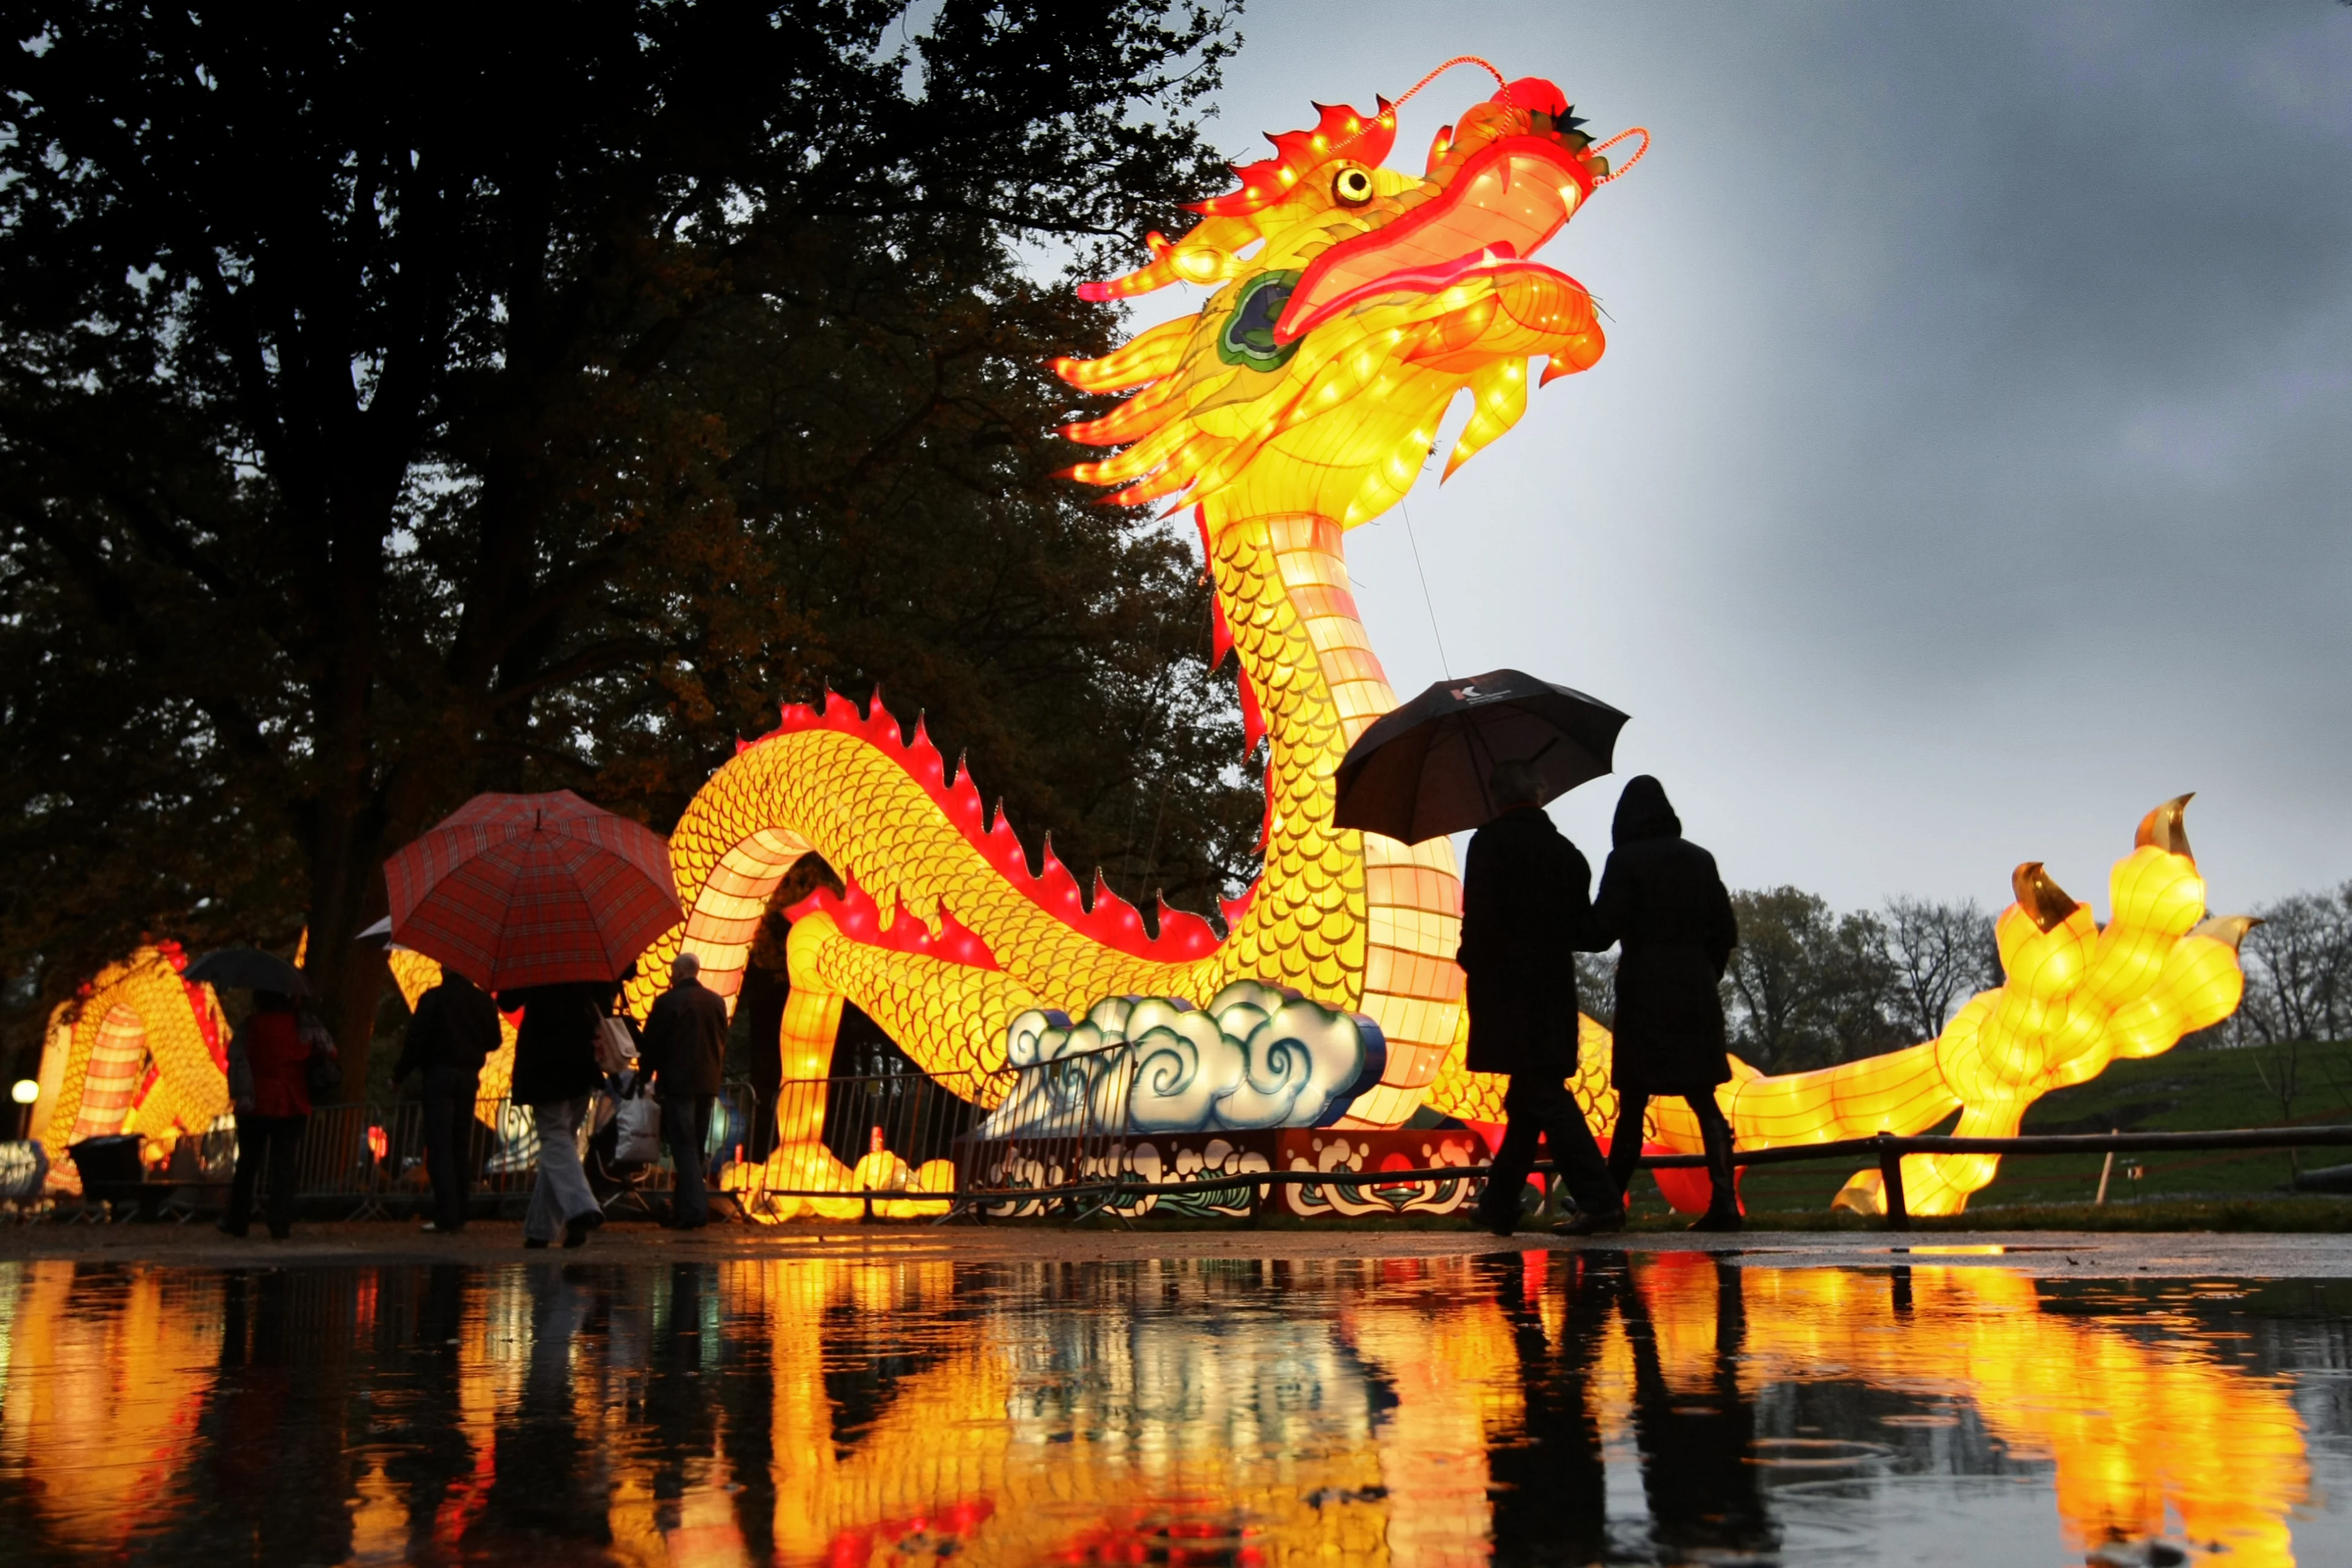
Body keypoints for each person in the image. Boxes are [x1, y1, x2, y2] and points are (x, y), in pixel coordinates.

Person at [1457, 757, 1625, 1237]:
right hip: (1551, 993)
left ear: (1496, 795)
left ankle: (1601, 1201)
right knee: (1528, 1098)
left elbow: (1481, 921)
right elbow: (1587, 933)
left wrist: (1470, 958)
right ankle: (1500, 1204)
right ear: (1539, 793)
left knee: (1543, 1097)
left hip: (1504, 994)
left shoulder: (1487, 845)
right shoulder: (1566, 855)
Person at [1591, 775, 1744, 1231]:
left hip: (1643, 993)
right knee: (1704, 1100)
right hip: (1695, 990)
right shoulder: (1700, 860)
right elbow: (1726, 930)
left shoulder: (1624, 861)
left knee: (1634, 1103)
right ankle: (1724, 1203)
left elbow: (1601, 931)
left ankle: (1610, 1202)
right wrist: (1704, 971)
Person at [498, 979, 612, 1249]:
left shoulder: (535, 962)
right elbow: (605, 1004)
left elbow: (508, 1001)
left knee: (555, 1138)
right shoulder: (588, 961)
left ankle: (582, 1207)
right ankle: (542, 1229)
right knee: (563, 1144)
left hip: (545, 1064)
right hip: (583, 1062)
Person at [394, 969, 502, 1233]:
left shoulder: (434, 999)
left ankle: (446, 1213)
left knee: (440, 1144)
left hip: (439, 1075)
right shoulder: (482, 1001)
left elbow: (415, 1041)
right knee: (460, 1144)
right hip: (468, 1076)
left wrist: (400, 1074)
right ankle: (461, 1210)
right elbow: (495, 1040)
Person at [639, 952, 730, 1229]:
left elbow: (652, 1045)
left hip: (679, 1083)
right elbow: (721, 1039)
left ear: (678, 973)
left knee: (684, 1147)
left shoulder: (667, 1003)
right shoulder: (717, 1002)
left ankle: (694, 1211)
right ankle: (685, 1208)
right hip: (707, 1082)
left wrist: (644, 1077)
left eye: (671, 971)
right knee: (696, 1147)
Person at [219, 989, 311, 1239]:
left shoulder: (252, 1025)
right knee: (284, 1164)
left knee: (248, 1163)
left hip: (255, 1100)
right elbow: (327, 1050)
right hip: (292, 1100)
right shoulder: (302, 1024)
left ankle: (238, 1221)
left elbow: (235, 1055)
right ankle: (280, 1223)